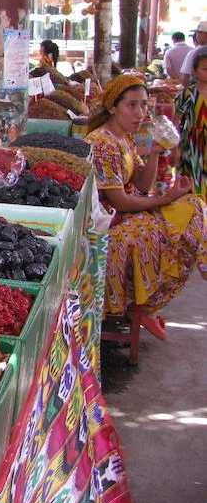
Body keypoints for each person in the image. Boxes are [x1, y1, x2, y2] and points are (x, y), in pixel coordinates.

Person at [86, 75, 207, 339]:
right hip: (107, 223)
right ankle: (144, 307)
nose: (140, 113)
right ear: (112, 107)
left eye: (143, 105)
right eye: (132, 105)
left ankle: (147, 307)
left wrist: (154, 153)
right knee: (169, 232)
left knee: (193, 205)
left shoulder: (124, 137)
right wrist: (164, 199)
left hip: (124, 211)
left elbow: (141, 184)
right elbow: (120, 201)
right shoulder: (103, 142)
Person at [174, 46, 207, 201]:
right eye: (205, 69)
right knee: (194, 181)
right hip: (192, 144)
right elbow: (176, 122)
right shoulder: (187, 94)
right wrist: (176, 148)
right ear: (194, 72)